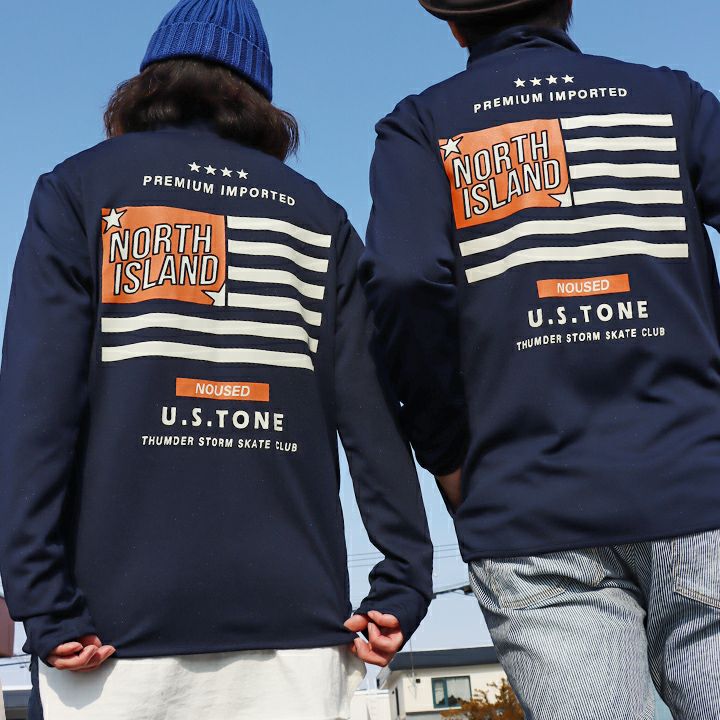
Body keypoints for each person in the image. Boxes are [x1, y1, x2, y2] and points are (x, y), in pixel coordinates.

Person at [0, 1, 434, 718]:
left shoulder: (79, 191)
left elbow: (34, 408)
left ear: (147, 85)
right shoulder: (316, 217)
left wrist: (41, 597)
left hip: (108, 635)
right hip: (297, 631)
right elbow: (371, 414)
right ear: (259, 99)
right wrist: (404, 579)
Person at [360, 0, 720, 717]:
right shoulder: (668, 99)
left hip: (527, 506)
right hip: (697, 480)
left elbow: (402, 281)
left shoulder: (423, 126)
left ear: (454, 24)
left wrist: (446, 452)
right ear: (566, 6)